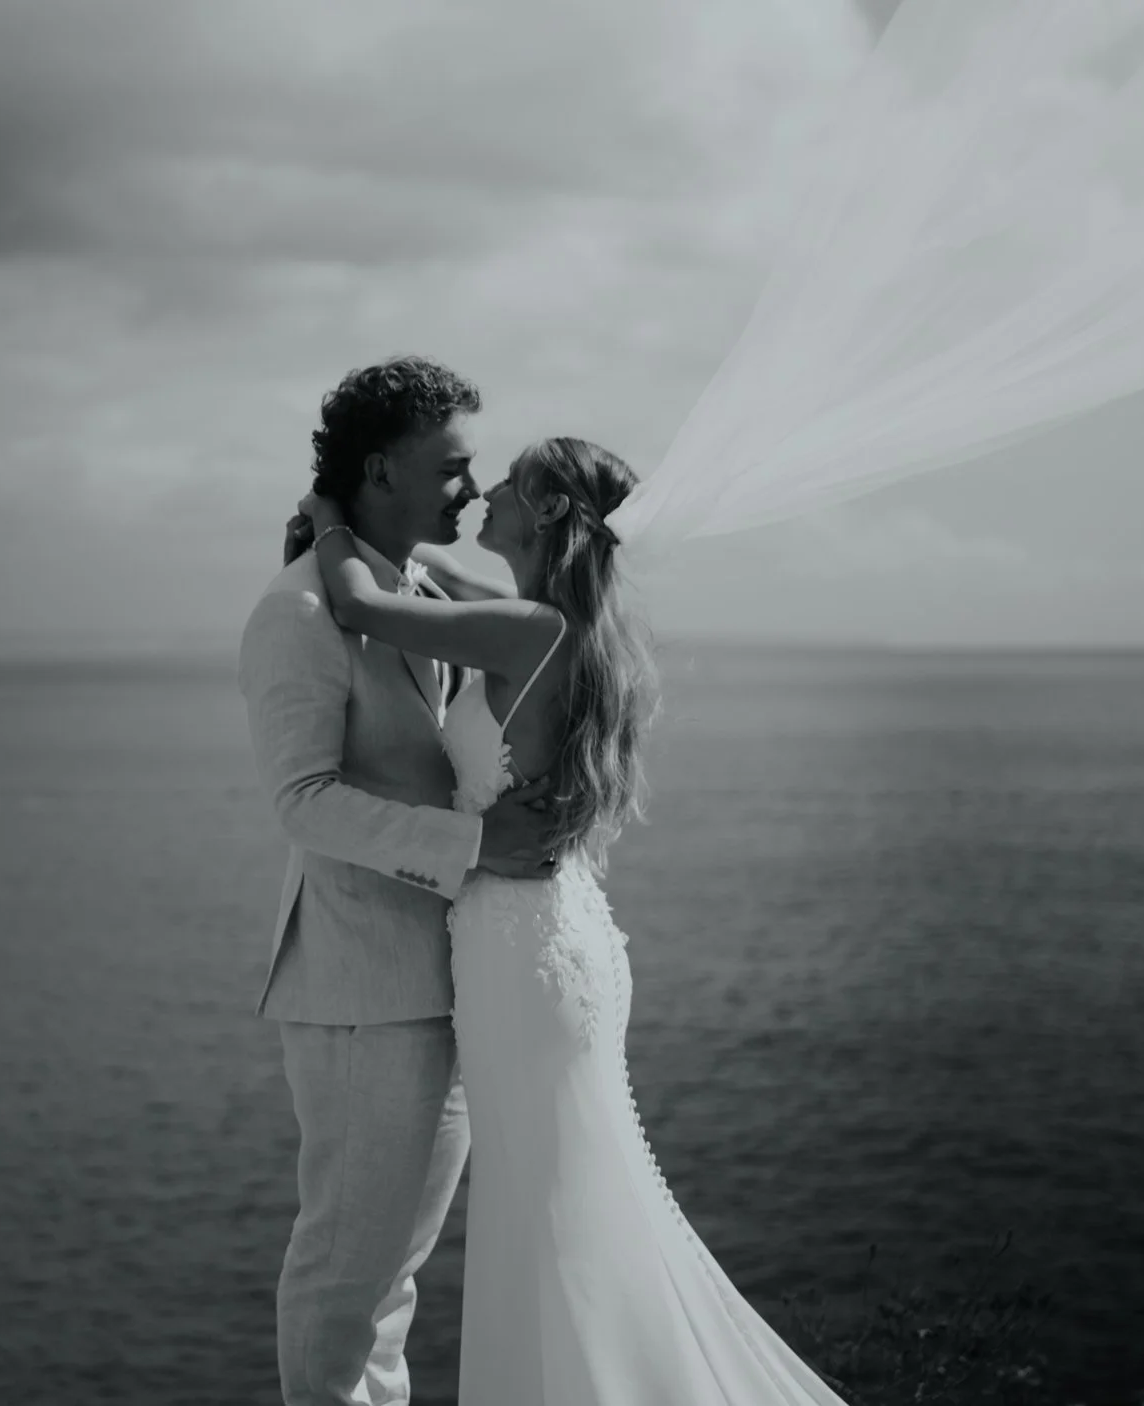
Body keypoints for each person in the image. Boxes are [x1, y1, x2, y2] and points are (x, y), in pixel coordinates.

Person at [299, 435, 853, 1404]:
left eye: (509, 482)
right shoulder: (554, 625)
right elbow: (431, 582)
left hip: (520, 949)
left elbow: (356, 604)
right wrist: (402, 546)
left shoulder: (528, 631)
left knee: (547, 1216)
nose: (488, 493)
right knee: (568, 1204)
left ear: (549, 511)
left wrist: (334, 512)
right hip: (557, 933)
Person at [235, 354, 560, 1406]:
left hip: (448, 980)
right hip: (361, 991)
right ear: (382, 470)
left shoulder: (410, 591)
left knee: (393, 1281)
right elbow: (302, 799)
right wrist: (475, 849)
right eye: (454, 466)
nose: (472, 487)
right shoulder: (295, 614)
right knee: (343, 1273)